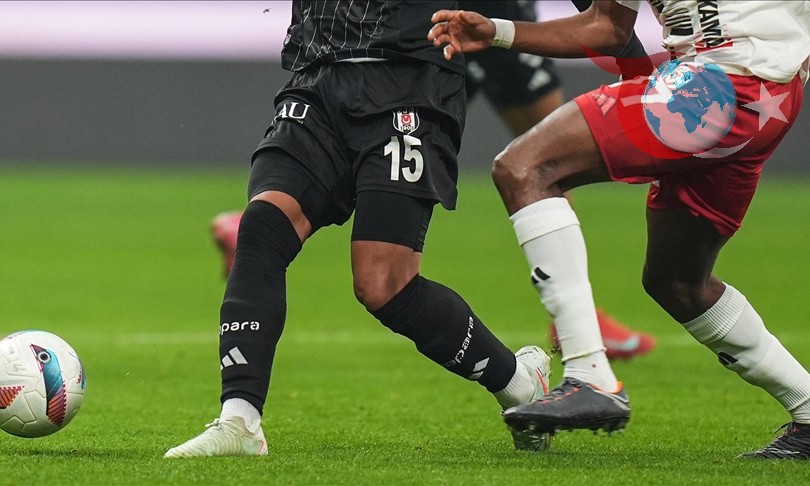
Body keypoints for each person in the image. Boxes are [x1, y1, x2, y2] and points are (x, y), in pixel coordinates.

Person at [428, 0, 810, 459]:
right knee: (678, 282)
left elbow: (607, 26)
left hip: (722, 83)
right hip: (770, 98)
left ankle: (590, 375)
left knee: (525, 167)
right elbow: (608, 27)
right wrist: (498, 32)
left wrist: (499, 32)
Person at [166, 0, 554, 458]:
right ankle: (239, 420)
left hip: (410, 78)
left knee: (383, 285)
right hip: (318, 74)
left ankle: (519, 383)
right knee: (262, 227)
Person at [211, 0, 657, 362]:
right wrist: (638, 71)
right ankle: (576, 316)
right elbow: (604, 22)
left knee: (421, 114)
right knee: (541, 160)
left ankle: (265, 216)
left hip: (437, 31)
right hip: (478, 19)